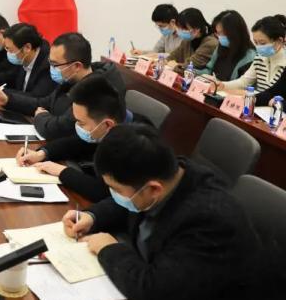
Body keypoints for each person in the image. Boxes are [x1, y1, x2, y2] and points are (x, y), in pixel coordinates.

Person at [62, 124, 261, 300]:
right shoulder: (168, 175)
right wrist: (92, 216)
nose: (114, 195)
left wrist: (108, 249)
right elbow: (129, 203)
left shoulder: (208, 221)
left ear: (154, 189)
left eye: (116, 190)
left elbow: (153, 290)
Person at [16, 75, 152, 202]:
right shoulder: (111, 124)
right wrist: (42, 153)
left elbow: (106, 192)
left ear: (107, 125)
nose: (77, 126)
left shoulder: (136, 145)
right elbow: (78, 142)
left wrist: (62, 172)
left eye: (81, 123)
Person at [0, 32, 126, 140]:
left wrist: (41, 117)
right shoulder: (71, 79)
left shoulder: (95, 90)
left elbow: (58, 128)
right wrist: (8, 100)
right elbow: (44, 102)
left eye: (55, 64)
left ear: (76, 66)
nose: (51, 68)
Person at [0, 23, 57, 97]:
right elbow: (9, 76)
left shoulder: (47, 65)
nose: (8, 53)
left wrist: (0, 92)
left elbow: (35, 97)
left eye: (10, 50)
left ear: (27, 47)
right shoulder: (24, 57)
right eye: (6, 49)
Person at [216, 15, 286, 95]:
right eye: (256, 42)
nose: (258, 47)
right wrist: (223, 85)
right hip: (257, 101)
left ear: (279, 41)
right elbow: (244, 82)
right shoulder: (259, 58)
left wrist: (249, 94)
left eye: (262, 43)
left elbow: (278, 95)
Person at [195, 10, 255, 81]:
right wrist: (194, 72)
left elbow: (241, 84)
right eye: (218, 33)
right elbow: (209, 70)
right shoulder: (221, 47)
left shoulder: (250, 57)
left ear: (235, 32)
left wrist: (218, 83)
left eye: (223, 33)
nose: (220, 37)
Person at [166, 7, 218, 74]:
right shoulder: (188, 40)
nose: (180, 31)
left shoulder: (210, 43)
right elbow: (173, 56)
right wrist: (165, 61)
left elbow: (189, 66)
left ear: (197, 29)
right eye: (179, 28)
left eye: (184, 29)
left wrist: (174, 65)